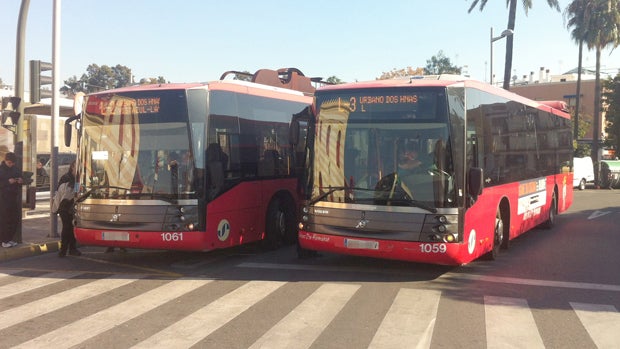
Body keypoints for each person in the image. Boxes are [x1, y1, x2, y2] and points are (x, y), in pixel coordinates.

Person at [57, 160, 81, 257]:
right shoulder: (67, 178)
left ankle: (71, 248)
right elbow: (61, 192)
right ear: (72, 167)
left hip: (73, 206)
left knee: (71, 228)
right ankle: (64, 250)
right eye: (76, 167)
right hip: (65, 206)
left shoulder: (79, 178)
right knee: (67, 228)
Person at [0, 152, 23, 248]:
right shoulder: (1, 169)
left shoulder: (15, 169)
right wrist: (7, 182)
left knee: (14, 218)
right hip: (3, 198)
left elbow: (21, 177)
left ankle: (9, 239)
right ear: (5, 161)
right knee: (5, 219)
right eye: (9, 162)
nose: (11, 164)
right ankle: (4, 240)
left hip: (13, 197)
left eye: (12, 163)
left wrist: (20, 181)